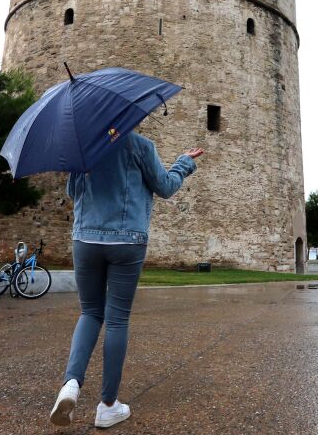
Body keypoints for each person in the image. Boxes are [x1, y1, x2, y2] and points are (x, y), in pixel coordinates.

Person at [49, 132, 203, 429]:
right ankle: (107, 406)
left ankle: (70, 385)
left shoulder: (84, 145)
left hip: (85, 239)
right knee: (117, 319)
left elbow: (73, 191)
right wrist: (184, 162)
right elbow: (166, 187)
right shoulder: (140, 145)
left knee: (90, 312)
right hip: (127, 240)